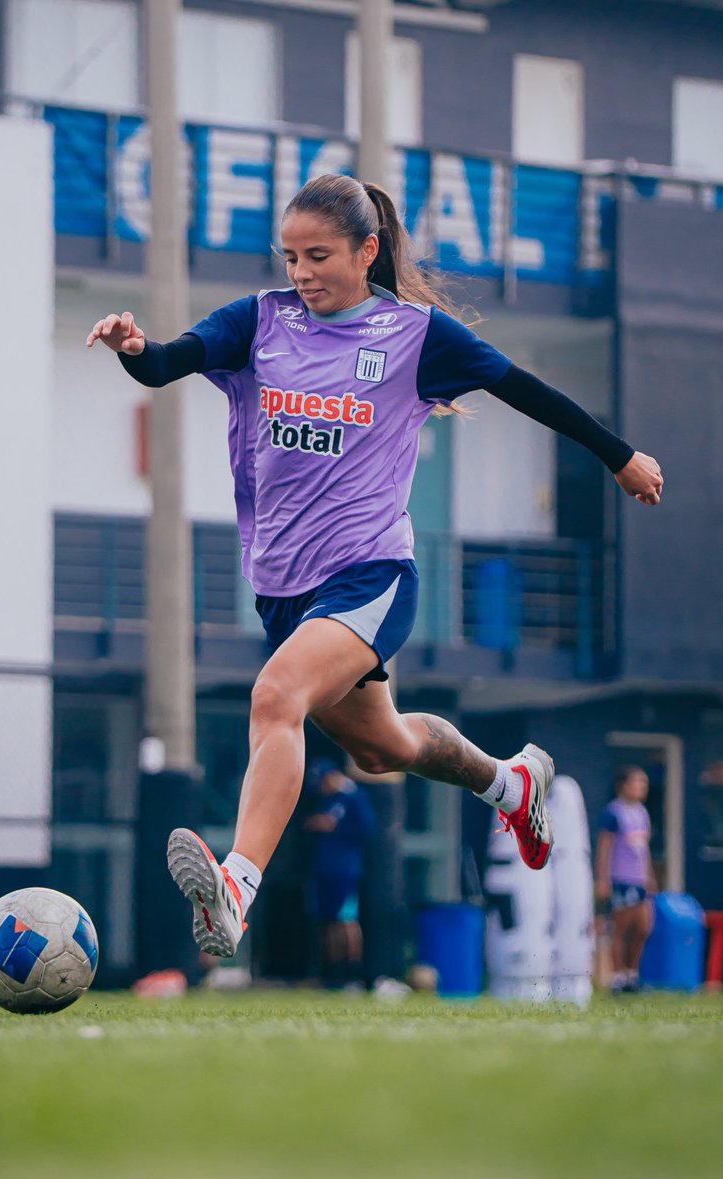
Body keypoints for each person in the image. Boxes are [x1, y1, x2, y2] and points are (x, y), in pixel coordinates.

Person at [87, 173, 664, 959]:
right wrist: (132, 348)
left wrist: (620, 455)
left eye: (318, 255)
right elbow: (166, 364)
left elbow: (526, 390)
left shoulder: (415, 335)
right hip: (284, 588)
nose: (301, 272)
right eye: (290, 256)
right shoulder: (257, 322)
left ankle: (235, 888)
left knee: (275, 697)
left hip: (371, 575)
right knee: (381, 748)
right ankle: (509, 782)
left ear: (366, 250)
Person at [303, 757, 377, 990]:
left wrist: (335, 827)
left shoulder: (354, 797)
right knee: (329, 920)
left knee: (346, 919)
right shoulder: (327, 800)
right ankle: (333, 972)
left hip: (346, 869)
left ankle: (352, 971)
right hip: (325, 867)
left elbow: (367, 829)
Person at [595, 766, 657, 993]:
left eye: (644, 783)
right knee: (620, 928)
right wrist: (602, 879)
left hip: (639, 880)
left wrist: (649, 876)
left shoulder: (642, 813)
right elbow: (604, 846)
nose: (641, 788)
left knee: (643, 927)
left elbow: (644, 849)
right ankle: (618, 978)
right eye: (637, 782)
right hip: (620, 878)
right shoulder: (613, 812)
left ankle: (632, 974)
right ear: (622, 785)